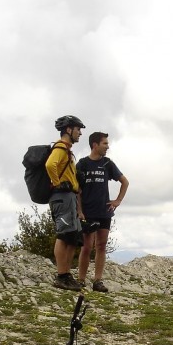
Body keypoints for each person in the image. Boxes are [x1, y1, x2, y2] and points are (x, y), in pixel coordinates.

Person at [76, 132, 129, 292]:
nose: (107, 146)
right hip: (87, 211)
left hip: (104, 211)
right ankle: (81, 279)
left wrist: (118, 201)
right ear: (95, 145)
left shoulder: (107, 164)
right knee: (86, 247)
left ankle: (97, 281)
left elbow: (125, 182)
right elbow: (77, 190)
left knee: (101, 245)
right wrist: (79, 211)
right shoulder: (82, 164)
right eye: (105, 143)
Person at [46, 115, 86, 291]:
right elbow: (50, 165)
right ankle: (62, 276)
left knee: (72, 236)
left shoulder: (67, 150)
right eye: (78, 129)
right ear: (69, 129)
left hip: (68, 196)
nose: (80, 133)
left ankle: (66, 275)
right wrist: (57, 182)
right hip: (62, 196)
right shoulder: (61, 147)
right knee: (63, 235)